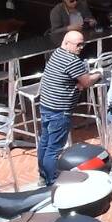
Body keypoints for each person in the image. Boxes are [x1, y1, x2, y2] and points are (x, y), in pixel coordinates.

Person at [37, 29, 96, 185]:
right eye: (78, 44)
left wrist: (76, 85)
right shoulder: (72, 61)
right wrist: (100, 74)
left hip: (46, 106)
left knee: (45, 142)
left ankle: (43, 175)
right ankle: (51, 181)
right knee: (53, 148)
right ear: (67, 43)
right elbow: (87, 82)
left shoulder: (57, 53)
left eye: (83, 44)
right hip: (60, 110)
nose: (81, 47)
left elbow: (69, 79)